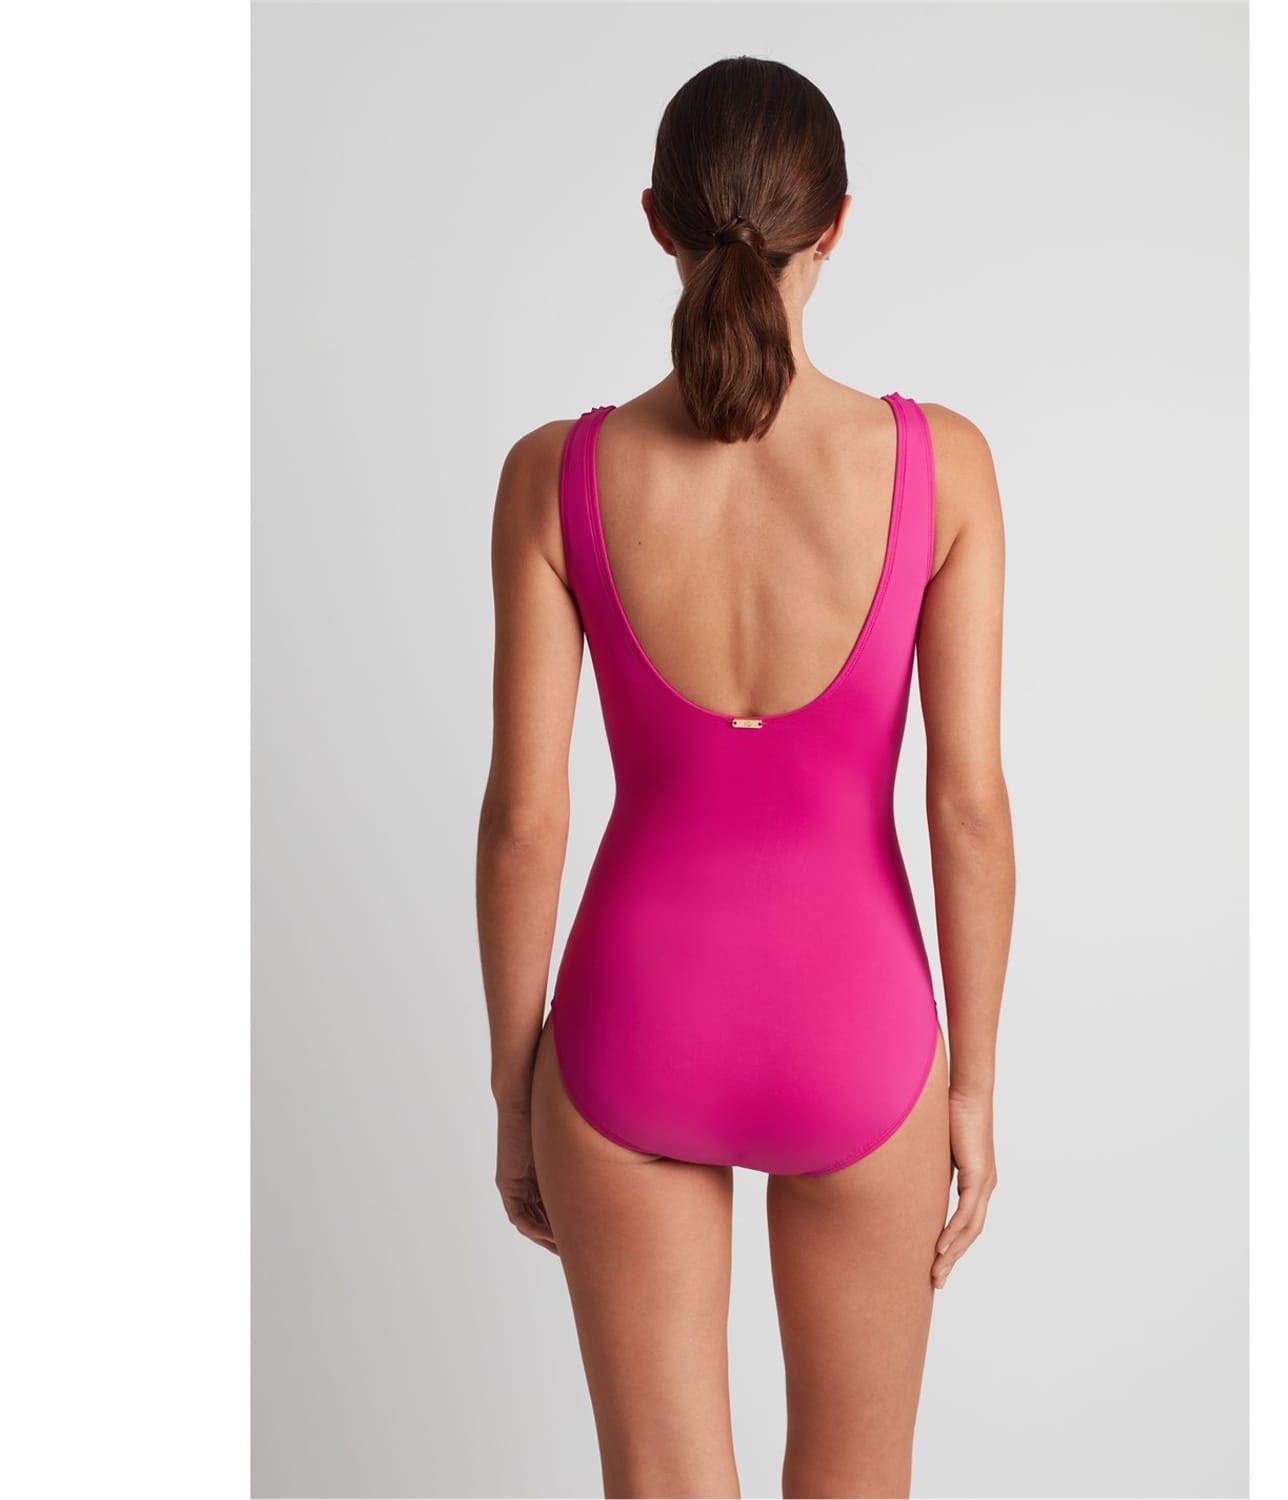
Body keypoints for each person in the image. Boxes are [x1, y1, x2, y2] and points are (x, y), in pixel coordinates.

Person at [475, 55, 1014, 1500]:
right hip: (863, 1028)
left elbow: (526, 819)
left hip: (629, 1023)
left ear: (657, 220)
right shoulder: (942, 465)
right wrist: (970, 1089)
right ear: (836, 224)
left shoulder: (555, 475)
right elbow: (967, 807)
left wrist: (514, 1084)